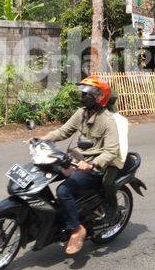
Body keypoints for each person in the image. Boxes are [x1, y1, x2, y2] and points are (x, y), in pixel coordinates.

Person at [34, 76, 123, 255]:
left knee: (63, 191)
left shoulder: (107, 120)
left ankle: (77, 229)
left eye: (88, 94)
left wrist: (92, 164)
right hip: (77, 159)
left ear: (99, 98)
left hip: (95, 166)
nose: (83, 97)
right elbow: (64, 131)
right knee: (42, 175)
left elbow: (111, 150)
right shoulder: (81, 113)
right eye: (82, 93)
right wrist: (43, 138)